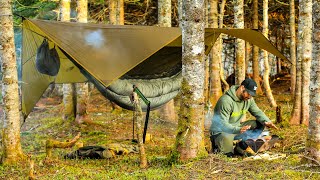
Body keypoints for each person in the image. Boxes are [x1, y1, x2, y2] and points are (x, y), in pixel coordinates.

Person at [210, 78, 278, 157]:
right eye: (248, 93)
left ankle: (243, 146)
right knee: (228, 156)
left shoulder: (248, 99)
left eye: (252, 95)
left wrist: (266, 121)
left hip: (236, 129)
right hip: (221, 132)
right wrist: (238, 129)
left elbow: (257, 112)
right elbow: (222, 124)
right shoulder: (226, 101)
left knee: (260, 123)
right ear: (242, 88)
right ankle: (219, 147)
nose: (250, 97)